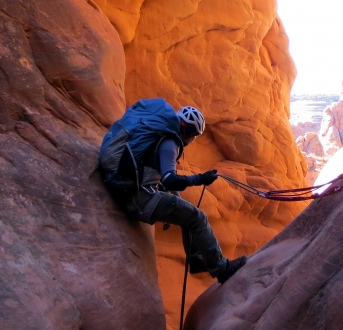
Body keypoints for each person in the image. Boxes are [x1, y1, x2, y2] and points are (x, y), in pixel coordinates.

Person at [100, 101, 247, 284]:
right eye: (194, 135)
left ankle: (196, 260)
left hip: (127, 191)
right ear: (187, 130)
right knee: (198, 217)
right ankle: (221, 269)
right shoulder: (170, 142)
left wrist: (172, 196)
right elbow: (170, 179)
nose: (192, 140)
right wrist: (200, 179)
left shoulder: (159, 135)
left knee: (188, 215)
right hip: (139, 199)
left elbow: (155, 174)